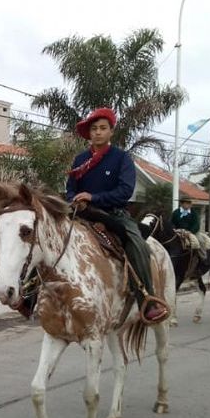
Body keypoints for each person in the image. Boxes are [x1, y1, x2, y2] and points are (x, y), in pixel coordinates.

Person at [64, 107, 168, 323]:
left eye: (103, 128)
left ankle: (147, 299)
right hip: (82, 214)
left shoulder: (121, 158)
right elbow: (71, 188)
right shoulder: (80, 160)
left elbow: (124, 191)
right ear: (89, 133)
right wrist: (74, 199)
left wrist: (93, 197)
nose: (98, 132)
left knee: (136, 243)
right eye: (94, 129)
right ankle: (30, 296)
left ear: (111, 132)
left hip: (114, 214)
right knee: (50, 237)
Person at [171, 197, 209, 269]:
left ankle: (204, 258)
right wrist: (175, 229)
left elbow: (196, 224)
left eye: (190, 203)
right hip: (178, 231)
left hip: (192, 232)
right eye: (187, 203)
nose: (190, 205)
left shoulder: (193, 213)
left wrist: (190, 231)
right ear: (182, 204)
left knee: (200, 241)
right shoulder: (176, 212)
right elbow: (172, 222)